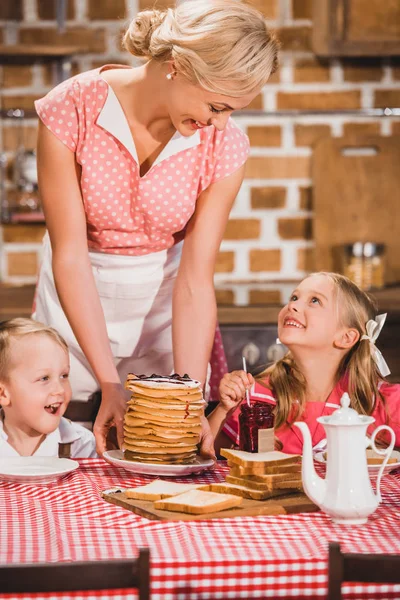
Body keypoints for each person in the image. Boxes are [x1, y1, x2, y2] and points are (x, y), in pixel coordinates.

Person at [32, 0, 279, 455]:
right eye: (216, 106)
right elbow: (69, 253)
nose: (219, 123)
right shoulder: (74, 107)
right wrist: (108, 382)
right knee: (67, 452)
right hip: (74, 311)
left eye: (231, 112)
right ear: (178, 65)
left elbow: (194, 279)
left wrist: (188, 398)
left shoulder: (223, 144)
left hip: (165, 321)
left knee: (160, 450)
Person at [209, 272, 400, 454]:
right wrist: (224, 409)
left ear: (346, 337)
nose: (293, 306)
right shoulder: (259, 399)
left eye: (315, 301)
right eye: (294, 298)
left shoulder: (378, 401)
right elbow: (208, 451)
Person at [0, 318, 97, 458]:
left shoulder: (81, 444)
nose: (60, 390)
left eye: (64, 376)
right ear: (3, 394)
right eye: (44, 378)